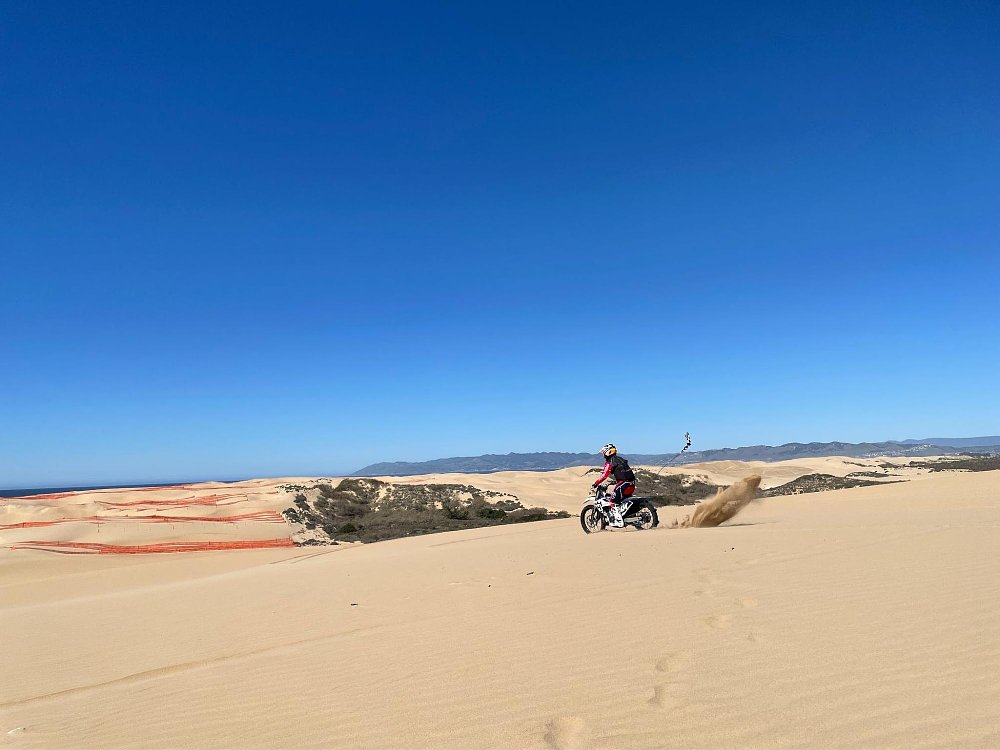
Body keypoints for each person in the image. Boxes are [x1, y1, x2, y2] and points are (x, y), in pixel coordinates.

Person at [592, 444, 637, 524]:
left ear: (607, 452)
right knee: (622, 501)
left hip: (623, 484)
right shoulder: (620, 459)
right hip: (631, 484)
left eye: (603, 453)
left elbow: (604, 475)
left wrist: (596, 483)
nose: (603, 455)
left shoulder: (610, 462)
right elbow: (622, 472)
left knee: (612, 500)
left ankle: (618, 520)